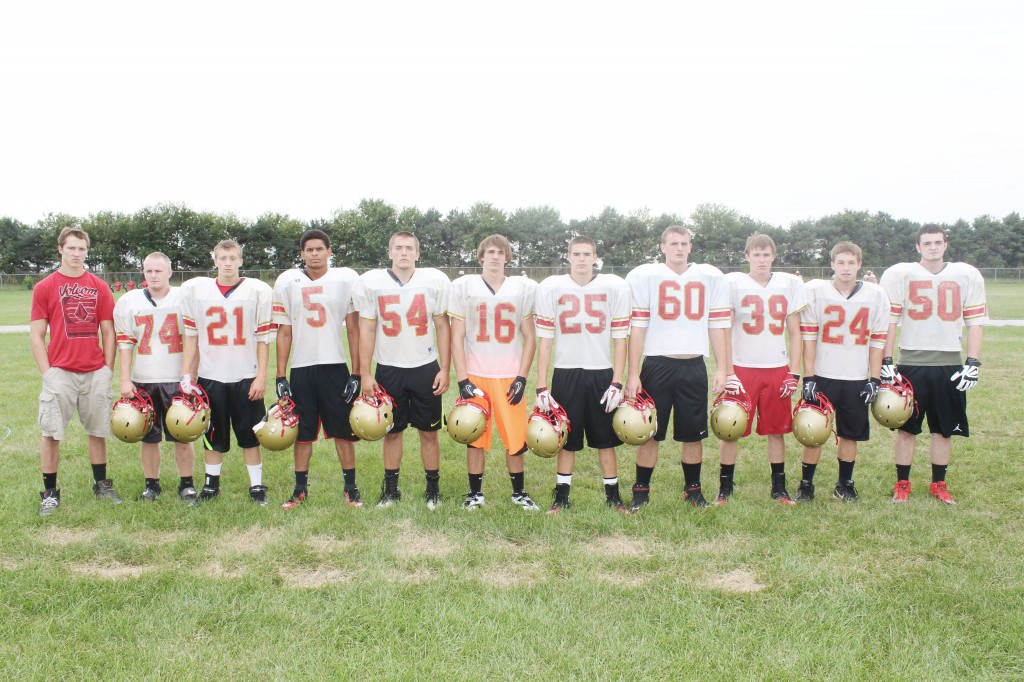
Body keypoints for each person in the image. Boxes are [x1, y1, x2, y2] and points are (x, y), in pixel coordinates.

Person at [624, 225, 737, 510]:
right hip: (657, 364)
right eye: (673, 243)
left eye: (684, 243)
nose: (679, 248)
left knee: (693, 433)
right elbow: (637, 327)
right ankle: (641, 491)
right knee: (649, 432)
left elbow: (718, 326)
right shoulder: (646, 277)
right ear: (662, 247)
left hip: (693, 365)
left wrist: (723, 368)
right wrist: (633, 373)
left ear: (691, 246)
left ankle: (693, 490)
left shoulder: (708, 276)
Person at [880, 224, 987, 505]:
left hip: (949, 363)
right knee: (906, 427)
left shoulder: (965, 274)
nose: (932, 247)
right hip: (911, 362)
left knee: (944, 428)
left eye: (937, 242)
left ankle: (939, 483)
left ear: (945, 245)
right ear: (917, 247)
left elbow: (975, 323)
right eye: (927, 243)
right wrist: (887, 360)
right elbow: (888, 321)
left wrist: (973, 362)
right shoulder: (900, 274)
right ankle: (902, 482)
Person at [354, 231, 451, 509]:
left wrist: (445, 368)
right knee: (392, 432)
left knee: (429, 432)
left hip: (425, 368)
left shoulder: (433, 282)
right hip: (389, 368)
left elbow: (443, 326)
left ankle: (433, 489)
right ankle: (391, 490)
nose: (404, 252)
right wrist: (366, 372)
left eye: (410, 248)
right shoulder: (373, 284)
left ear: (418, 254)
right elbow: (368, 328)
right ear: (390, 253)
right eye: (399, 248)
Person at [534, 236, 631, 514]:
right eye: (576, 254)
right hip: (566, 372)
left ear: (595, 257)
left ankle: (613, 496)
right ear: (568, 256)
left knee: (606, 439)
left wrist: (618, 381)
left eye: (586, 254)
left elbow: (620, 339)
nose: (581, 259)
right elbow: (545, 340)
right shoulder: (553, 287)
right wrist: (541, 385)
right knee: (567, 438)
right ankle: (561, 497)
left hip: (601, 373)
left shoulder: (612, 287)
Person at [30, 226, 120, 515]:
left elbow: (109, 331)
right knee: (52, 433)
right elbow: (36, 334)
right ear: (60, 249)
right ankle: (50, 492)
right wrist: (48, 372)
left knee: (98, 431)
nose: (77, 254)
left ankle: (101, 484)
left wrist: (107, 369)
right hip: (61, 372)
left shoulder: (99, 286)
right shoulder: (45, 287)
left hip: (94, 371)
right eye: (71, 248)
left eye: (82, 249)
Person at [272, 230, 363, 509]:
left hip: (334, 366)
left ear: (329, 251)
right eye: (309, 249)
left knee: (343, 431)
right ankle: (300, 489)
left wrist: (357, 372)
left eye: (319, 249)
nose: (314, 253)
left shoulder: (345, 279)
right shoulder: (288, 282)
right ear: (301, 254)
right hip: (302, 368)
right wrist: (280, 375)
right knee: (302, 433)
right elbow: (284, 331)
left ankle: (351, 487)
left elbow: (354, 329)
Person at [179, 239, 274, 505]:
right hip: (211, 376)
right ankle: (211, 485)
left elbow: (263, 339)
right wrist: (187, 375)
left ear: (241, 261)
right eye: (223, 258)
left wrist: (262, 376)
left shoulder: (256, 291)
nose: (228, 263)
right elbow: (191, 337)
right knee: (212, 436)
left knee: (251, 435)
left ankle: (256, 487)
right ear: (215, 261)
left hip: (246, 375)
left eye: (233, 258)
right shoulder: (197, 290)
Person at [449, 235, 539, 511]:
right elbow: (457, 337)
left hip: (509, 375)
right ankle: (475, 494)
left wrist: (522, 377)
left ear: (507, 257)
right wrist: (463, 379)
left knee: (516, 438)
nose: (495, 256)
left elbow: (530, 338)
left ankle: (519, 493)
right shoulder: (465, 287)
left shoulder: (521, 289)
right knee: (473, 436)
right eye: (490, 252)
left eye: (500, 252)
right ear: (481, 256)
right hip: (476, 373)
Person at [718, 234, 807, 506]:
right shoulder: (733, 283)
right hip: (743, 368)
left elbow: (795, 332)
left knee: (777, 430)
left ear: (773, 256)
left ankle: (778, 488)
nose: (761, 259)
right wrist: (728, 370)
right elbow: (723, 329)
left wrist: (794, 372)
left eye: (766, 254)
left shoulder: (789, 283)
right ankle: (725, 488)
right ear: (746, 257)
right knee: (730, 427)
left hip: (776, 367)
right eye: (756, 254)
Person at [798, 242, 889, 502]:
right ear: (832, 264)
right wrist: (809, 377)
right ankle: (806, 484)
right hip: (824, 375)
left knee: (851, 433)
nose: (846, 268)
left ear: (860, 264)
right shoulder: (816, 291)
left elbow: (877, 341)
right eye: (841, 262)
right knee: (813, 431)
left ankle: (844, 484)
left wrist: (874, 378)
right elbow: (809, 338)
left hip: (856, 376)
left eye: (851, 262)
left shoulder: (875, 294)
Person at [113, 252, 198, 503]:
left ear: (170, 272)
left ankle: (187, 484)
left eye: (158, 271)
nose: (153, 275)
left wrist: (190, 377)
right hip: (144, 378)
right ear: (143, 272)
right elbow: (125, 344)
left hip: (176, 378)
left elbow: (195, 341)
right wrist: (125, 379)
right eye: (149, 271)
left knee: (183, 434)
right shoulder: (129, 301)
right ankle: (152, 485)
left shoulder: (184, 298)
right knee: (148, 437)